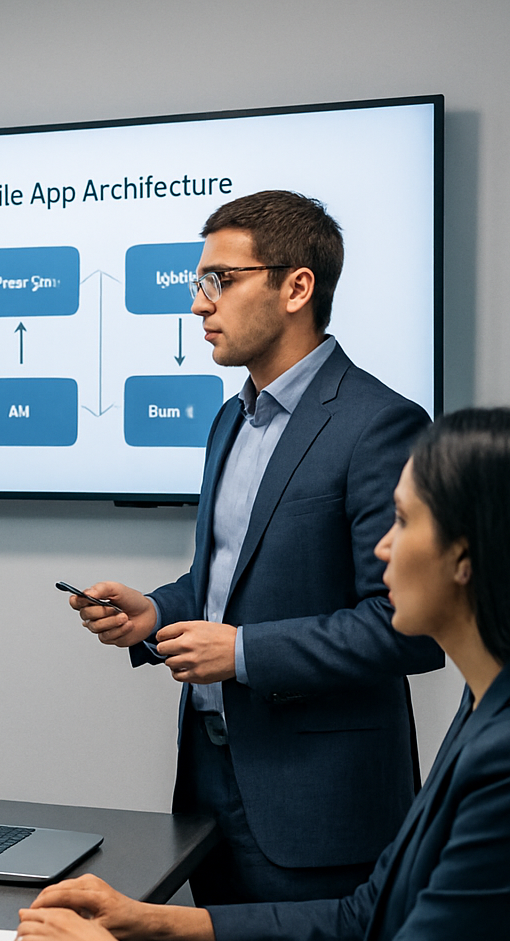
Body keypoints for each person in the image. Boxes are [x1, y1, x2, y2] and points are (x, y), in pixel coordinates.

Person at [10, 408, 510, 941]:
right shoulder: (482, 708)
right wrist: (150, 921)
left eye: (402, 521)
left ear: (466, 557)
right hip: (217, 785)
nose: (382, 545)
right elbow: (365, 917)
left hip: (312, 798)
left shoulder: (501, 763)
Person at [65, 191, 442, 904]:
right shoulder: (228, 421)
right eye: (198, 285)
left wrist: (241, 653)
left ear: (297, 286)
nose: (200, 305)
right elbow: (229, 581)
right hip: (209, 791)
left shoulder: (380, 425)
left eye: (222, 281)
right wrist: (153, 612)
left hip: (320, 811)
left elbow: (409, 627)